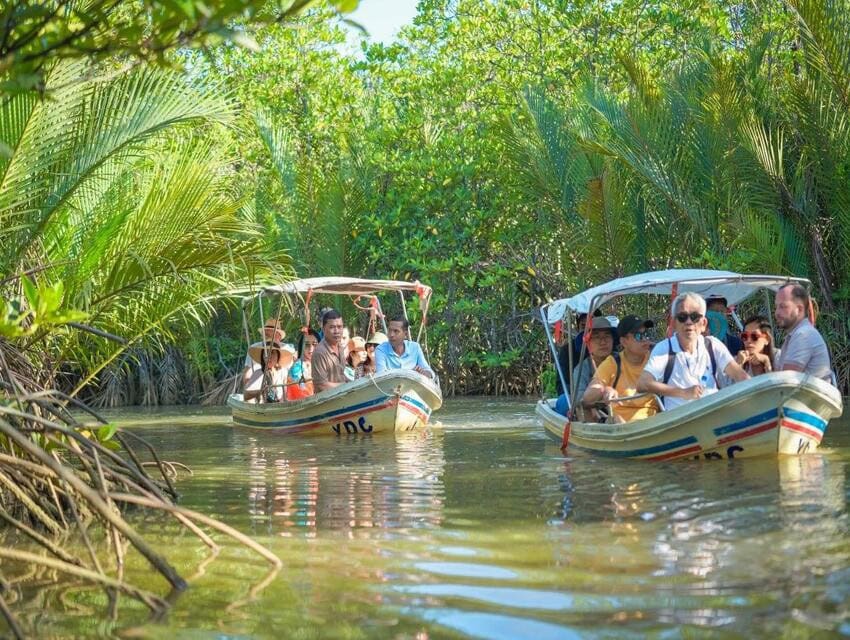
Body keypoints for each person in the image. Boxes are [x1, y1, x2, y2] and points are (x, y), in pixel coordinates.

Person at [638, 292, 749, 410]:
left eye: (695, 317)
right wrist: (683, 392)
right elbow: (643, 383)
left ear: (703, 324)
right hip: (681, 422)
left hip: (715, 415)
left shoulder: (713, 345)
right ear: (674, 323)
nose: (689, 322)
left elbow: (740, 376)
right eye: (682, 317)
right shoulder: (664, 348)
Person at [581, 315, 659, 422]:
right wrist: (605, 390)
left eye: (647, 334)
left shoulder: (656, 358)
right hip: (622, 427)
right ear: (624, 342)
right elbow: (587, 397)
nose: (645, 339)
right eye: (638, 336)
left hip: (655, 422)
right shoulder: (613, 362)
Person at [774, 284, 832, 381]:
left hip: (810, 396)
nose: (777, 312)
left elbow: (785, 382)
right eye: (776, 307)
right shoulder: (796, 334)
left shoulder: (803, 335)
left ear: (799, 309)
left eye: (783, 306)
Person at [571, 316, 616, 407]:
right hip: (594, 413)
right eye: (596, 337)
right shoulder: (580, 370)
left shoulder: (622, 360)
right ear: (588, 344)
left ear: (612, 340)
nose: (603, 342)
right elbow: (578, 399)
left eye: (607, 336)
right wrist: (602, 393)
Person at [242, 319, 285, 402]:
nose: (269, 356)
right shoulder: (259, 372)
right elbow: (246, 394)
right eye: (265, 334)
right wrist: (259, 392)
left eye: (272, 353)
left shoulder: (281, 372)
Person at [312, 309, 348, 392]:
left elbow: (340, 376)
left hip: (342, 397)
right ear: (324, 329)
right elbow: (321, 385)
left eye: (339, 327)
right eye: (332, 327)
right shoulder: (320, 353)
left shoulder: (340, 347)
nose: (337, 331)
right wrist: (346, 386)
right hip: (327, 401)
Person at [287, 328, 319, 400]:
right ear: (302, 347)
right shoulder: (297, 368)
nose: (311, 348)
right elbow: (302, 395)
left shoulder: (321, 364)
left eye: (314, 344)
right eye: (307, 345)